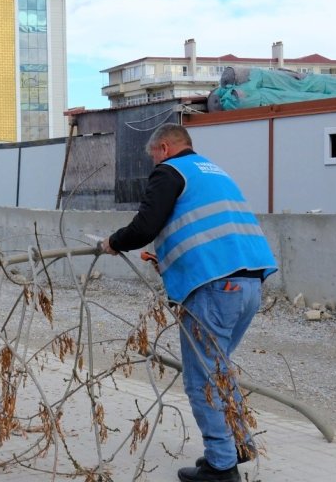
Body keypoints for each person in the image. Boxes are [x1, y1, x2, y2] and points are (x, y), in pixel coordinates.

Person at [101, 123, 277, 482]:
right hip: (248, 283)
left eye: (153, 156)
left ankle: (221, 467)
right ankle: (237, 446)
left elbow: (144, 225)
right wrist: (162, 258)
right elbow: (204, 230)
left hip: (215, 287)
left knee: (202, 380)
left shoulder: (170, 171)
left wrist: (114, 243)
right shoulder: (213, 171)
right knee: (219, 368)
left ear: (164, 147)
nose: (153, 163)